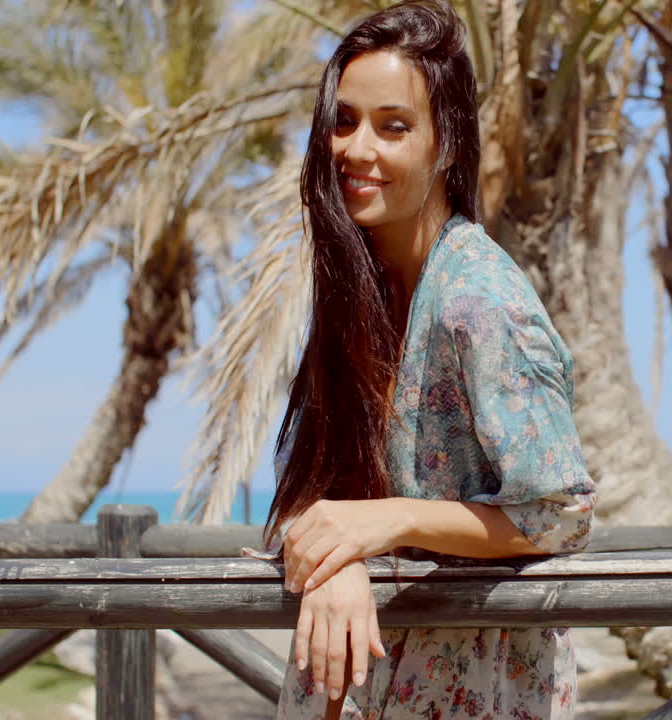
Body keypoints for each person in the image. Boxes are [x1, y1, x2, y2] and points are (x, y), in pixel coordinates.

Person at [252, 1, 597, 717]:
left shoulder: (479, 298)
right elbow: (307, 487)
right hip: (363, 678)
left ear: (447, 144)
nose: (357, 149)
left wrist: (385, 523)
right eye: (344, 121)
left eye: (394, 126)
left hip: (475, 685)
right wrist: (338, 555)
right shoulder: (360, 291)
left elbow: (560, 515)